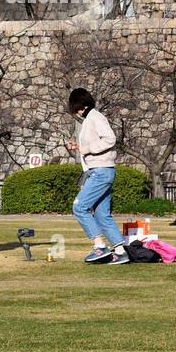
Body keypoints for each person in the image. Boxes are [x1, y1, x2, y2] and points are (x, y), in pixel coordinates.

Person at [66, 88, 129, 264]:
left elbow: (110, 138)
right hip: (100, 170)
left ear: (81, 105)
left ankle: (99, 246)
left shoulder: (95, 117)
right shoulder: (89, 119)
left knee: (79, 207)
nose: (76, 112)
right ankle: (120, 250)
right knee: (102, 214)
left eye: (76, 108)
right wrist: (78, 148)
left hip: (101, 171)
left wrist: (86, 149)